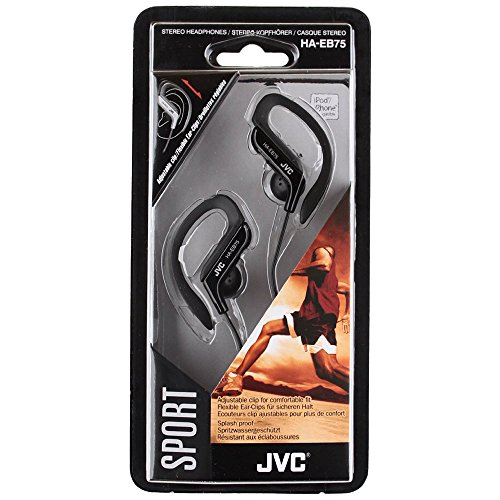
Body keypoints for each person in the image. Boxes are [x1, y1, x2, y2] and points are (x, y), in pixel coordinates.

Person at [216, 246, 350, 396]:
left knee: (329, 369)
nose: (321, 256)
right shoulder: (330, 281)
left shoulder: (322, 252)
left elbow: (324, 265)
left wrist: (296, 270)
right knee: (269, 329)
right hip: (310, 317)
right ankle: (236, 377)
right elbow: (347, 289)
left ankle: (361, 386)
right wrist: (347, 314)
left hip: (316, 318)